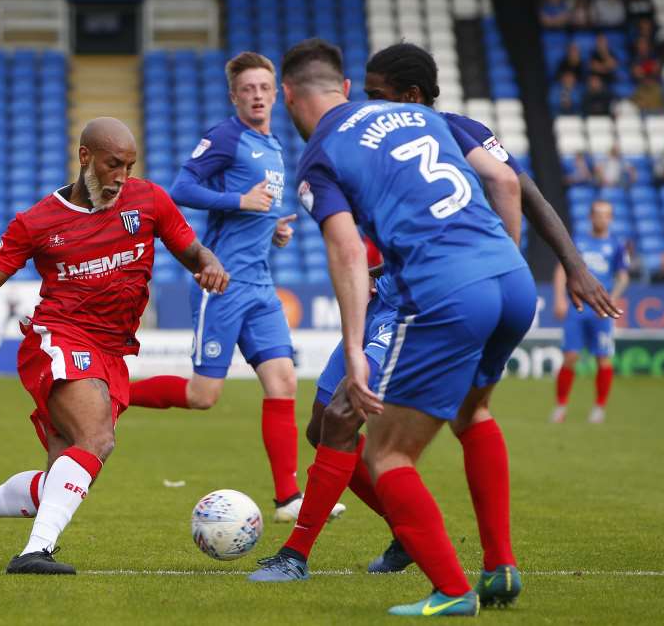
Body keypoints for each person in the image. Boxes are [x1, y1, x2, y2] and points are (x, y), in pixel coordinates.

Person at [250, 41, 620, 598]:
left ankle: (302, 554)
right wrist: (505, 258)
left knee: (362, 430)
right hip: (490, 280)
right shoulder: (427, 122)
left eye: (377, 94)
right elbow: (507, 183)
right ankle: (477, 557)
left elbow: (347, 247)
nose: (370, 104)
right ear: (343, 89)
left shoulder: (352, 140)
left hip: (425, 295)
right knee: (436, 416)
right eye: (364, 93)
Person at [0, 118, 230, 575]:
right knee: (97, 438)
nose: (121, 176)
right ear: (85, 158)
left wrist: (209, 263)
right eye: (112, 165)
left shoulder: (149, 201)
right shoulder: (38, 221)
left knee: (62, 479)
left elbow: (192, 251)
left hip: (113, 350)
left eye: (129, 165)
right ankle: (33, 553)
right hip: (59, 339)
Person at [124, 52, 344, 522]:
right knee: (203, 396)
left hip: (262, 285)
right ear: (235, 96)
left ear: (275, 93)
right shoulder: (226, 136)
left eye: (265, 87)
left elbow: (256, 213)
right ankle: (115, 393)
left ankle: (288, 498)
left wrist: (274, 229)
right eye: (248, 89)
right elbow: (180, 189)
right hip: (220, 282)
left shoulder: (276, 146)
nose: (258, 95)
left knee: (283, 381)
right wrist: (237, 199)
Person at [552, 200, 629, 424]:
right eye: (597, 214)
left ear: (611, 218)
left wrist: (611, 300)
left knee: (603, 358)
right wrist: (558, 298)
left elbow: (623, 276)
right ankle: (561, 406)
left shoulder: (616, 246)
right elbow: (561, 270)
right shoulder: (578, 241)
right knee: (570, 357)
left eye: (606, 215)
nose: (601, 218)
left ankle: (599, 408)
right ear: (591, 216)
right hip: (577, 306)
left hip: (600, 311)